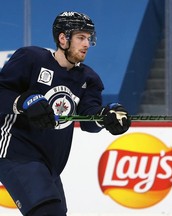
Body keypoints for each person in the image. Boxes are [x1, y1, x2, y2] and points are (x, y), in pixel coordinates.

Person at [0, 11, 131, 216]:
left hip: (50, 163)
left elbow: (89, 119)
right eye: (81, 37)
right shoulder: (31, 59)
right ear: (63, 39)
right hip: (16, 153)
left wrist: (108, 116)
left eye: (89, 38)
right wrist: (25, 101)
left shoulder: (88, 78)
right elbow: (2, 91)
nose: (87, 43)